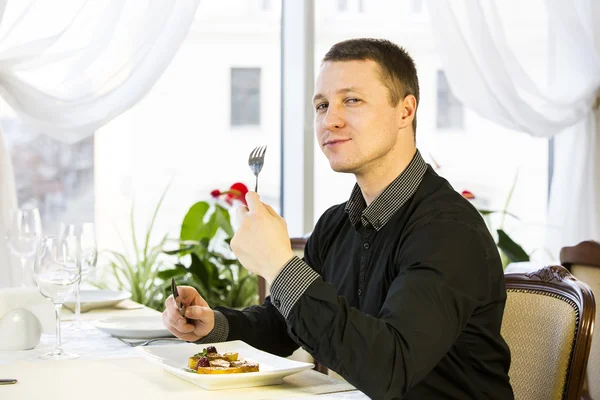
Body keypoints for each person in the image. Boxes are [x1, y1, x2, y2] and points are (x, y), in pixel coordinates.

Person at [163, 38, 514, 399]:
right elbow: (283, 327)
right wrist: (214, 324)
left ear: (405, 111)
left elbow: (389, 370)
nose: (330, 120)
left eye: (352, 100)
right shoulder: (336, 224)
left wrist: (281, 267)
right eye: (321, 105)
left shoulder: (448, 231)